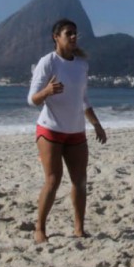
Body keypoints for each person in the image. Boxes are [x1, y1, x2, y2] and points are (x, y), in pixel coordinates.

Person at [27, 19, 107, 243]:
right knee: (53, 180)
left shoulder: (81, 64)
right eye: (68, 33)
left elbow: (83, 99)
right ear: (56, 37)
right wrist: (47, 91)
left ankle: (79, 229)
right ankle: (40, 228)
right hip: (50, 129)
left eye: (75, 33)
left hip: (76, 131)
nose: (73, 37)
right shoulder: (48, 62)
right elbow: (32, 100)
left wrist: (96, 124)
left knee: (80, 181)